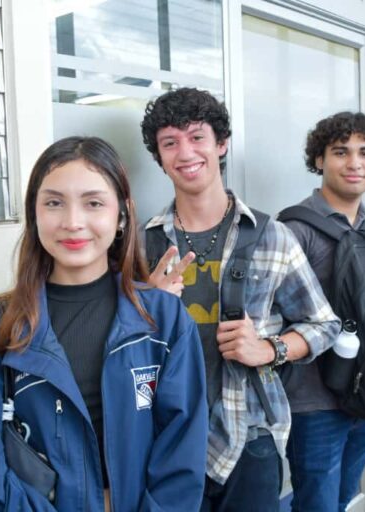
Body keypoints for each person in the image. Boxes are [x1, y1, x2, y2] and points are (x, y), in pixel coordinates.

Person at [0, 137, 208, 511]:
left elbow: (182, 457)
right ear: (35, 214)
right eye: (54, 203)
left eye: (93, 203)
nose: (73, 222)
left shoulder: (165, 322)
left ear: (122, 215)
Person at [140, 87, 340, 512]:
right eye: (170, 143)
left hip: (248, 435)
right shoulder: (142, 245)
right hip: (164, 437)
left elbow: (324, 325)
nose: (185, 152)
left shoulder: (272, 236)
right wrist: (144, 307)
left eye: (197, 137)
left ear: (221, 144)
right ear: (159, 157)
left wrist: (269, 349)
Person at [280, 112, 365, 511]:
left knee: (342, 500)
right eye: (341, 152)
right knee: (317, 505)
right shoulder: (293, 228)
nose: (354, 162)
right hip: (314, 402)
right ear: (320, 159)